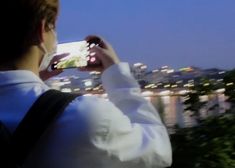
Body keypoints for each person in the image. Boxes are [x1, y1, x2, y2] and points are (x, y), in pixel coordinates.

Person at [0, 0, 172, 168]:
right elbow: (159, 151)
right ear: (41, 31)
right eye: (52, 28)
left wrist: (36, 77)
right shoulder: (83, 116)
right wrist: (117, 76)